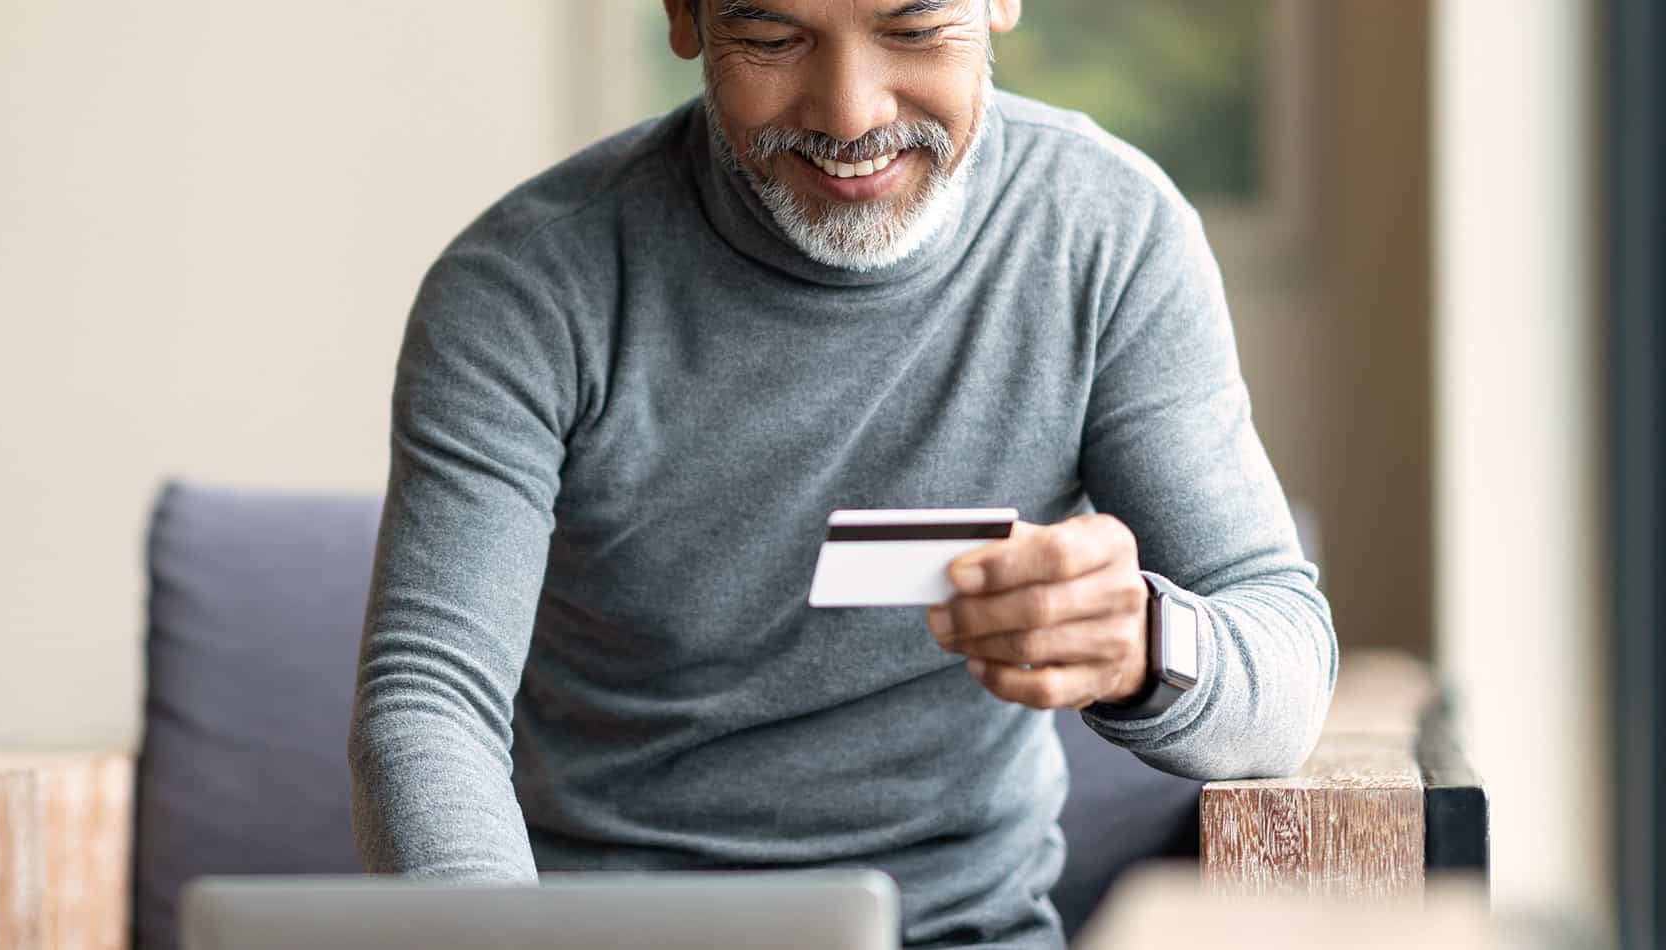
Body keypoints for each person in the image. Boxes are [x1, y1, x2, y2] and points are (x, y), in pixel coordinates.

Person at [346, 0, 1338, 945]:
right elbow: (429, 700)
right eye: (772, 39)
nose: (851, 114)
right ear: (684, 17)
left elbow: (1285, 670)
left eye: (911, 29)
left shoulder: (1106, 233)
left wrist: (1146, 640)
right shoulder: (525, 283)